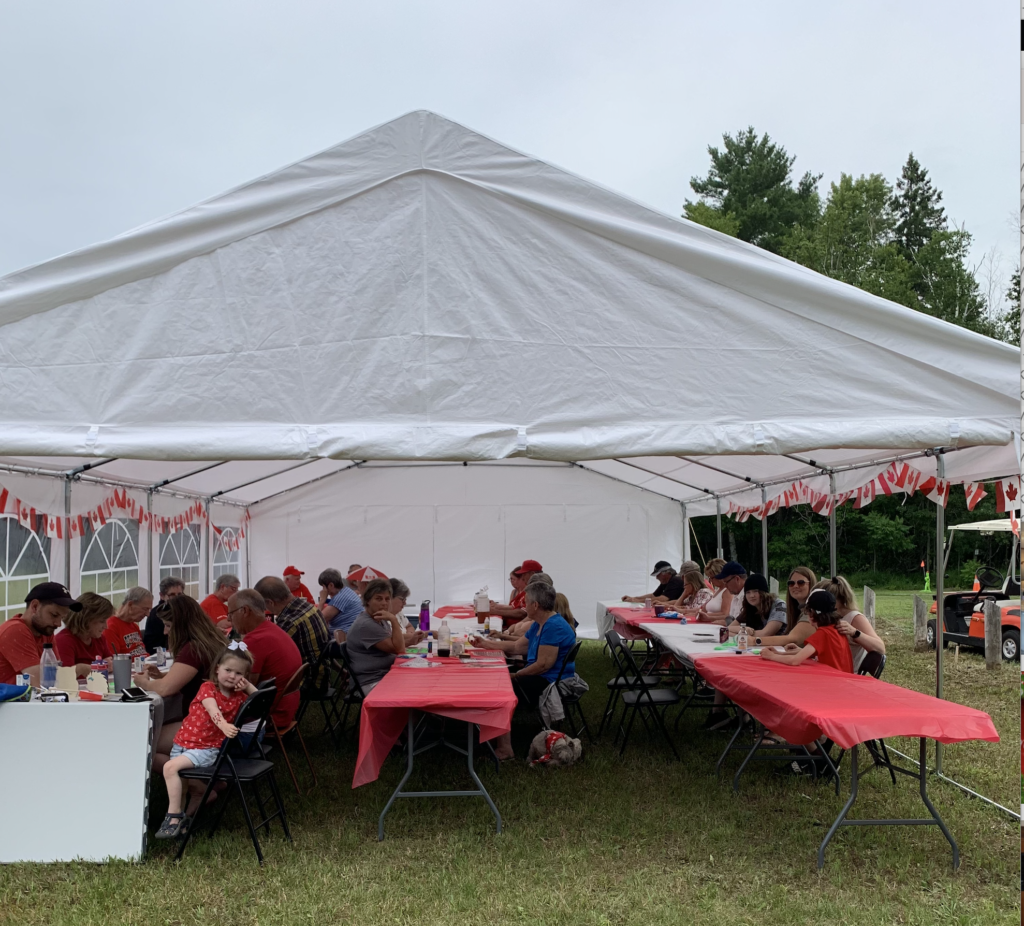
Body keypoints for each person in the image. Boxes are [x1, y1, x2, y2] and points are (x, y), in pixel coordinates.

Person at [156, 645, 257, 839]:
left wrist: (249, 687)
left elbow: (260, 701)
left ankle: (173, 817)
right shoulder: (207, 688)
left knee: (169, 768)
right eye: (228, 670)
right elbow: (212, 709)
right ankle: (184, 819)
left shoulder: (238, 697)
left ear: (244, 677)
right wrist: (223, 725)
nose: (232, 676)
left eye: (238, 673)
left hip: (205, 749)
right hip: (183, 743)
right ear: (217, 668)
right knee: (182, 784)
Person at [470, 582, 576, 760]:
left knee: (499, 689)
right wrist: (486, 644)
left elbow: (543, 665)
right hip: (543, 675)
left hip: (549, 681)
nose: (523, 606)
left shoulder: (552, 626)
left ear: (535, 605)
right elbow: (517, 646)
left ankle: (504, 749)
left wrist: (514, 675)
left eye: (526, 602)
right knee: (498, 680)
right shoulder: (541, 622)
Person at [132, 595, 229, 772]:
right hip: (219, 719)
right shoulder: (211, 641)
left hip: (205, 727)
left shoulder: (193, 648)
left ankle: (200, 786)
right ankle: (206, 780)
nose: (165, 632)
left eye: (169, 626)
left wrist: (143, 682)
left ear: (182, 625)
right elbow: (194, 676)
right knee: (150, 748)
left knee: (139, 743)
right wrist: (163, 676)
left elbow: (165, 689)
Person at [227, 588, 303, 731]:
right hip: (286, 709)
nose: (228, 619)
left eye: (231, 614)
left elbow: (240, 688)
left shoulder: (255, 640)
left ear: (244, 611)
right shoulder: (271, 629)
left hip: (268, 716)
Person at [345, 579, 425, 693]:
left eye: (387, 599)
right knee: (417, 687)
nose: (384, 603)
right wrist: (393, 619)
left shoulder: (378, 619)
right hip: (371, 681)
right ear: (367, 600)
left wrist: (413, 638)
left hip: (384, 674)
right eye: (378, 599)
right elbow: (399, 649)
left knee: (423, 678)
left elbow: (394, 639)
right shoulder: (366, 624)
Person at [0, 583, 81, 685]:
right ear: (35, 606)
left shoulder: (45, 630)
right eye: (54, 615)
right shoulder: (15, 630)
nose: (58, 624)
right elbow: (39, 684)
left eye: (62, 618)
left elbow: (56, 676)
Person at [760, 590, 853, 673]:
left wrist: (771, 656)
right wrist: (779, 653)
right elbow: (822, 654)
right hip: (843, 679)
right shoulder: (835, 629)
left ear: (812, 613)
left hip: (833, 682)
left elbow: (794, 661)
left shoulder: (823, 633)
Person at [254, 576, 330, 679]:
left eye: (264, 606)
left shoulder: (289, 621)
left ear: (271, 602)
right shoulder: (308, 606)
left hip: (305, 682)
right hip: (321, 675)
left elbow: (271, 658)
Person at [815, 575, 885, 672]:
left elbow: (880, 648)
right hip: (826, 670)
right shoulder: (826, 617)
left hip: (845, 676)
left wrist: (854, 632)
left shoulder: (855, 618)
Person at [747, 566, 818, 649]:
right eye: (791, 583)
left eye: (801, 582)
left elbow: (792, 639)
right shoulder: (796, 610)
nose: (795, 586)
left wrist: (754, 641)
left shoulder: (813, 610)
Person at [54, 591, 114, 676]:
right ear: (86, 619)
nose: (106, 626)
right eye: (102, 621)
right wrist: (88, 668)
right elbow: (65, 675)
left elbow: (109, 663)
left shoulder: (99, 639)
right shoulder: (64, 641)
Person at [102, 586, 153, 657]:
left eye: (149, 610)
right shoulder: (110, 626)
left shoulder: (134, 626)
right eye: (145, 609)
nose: (147, 614)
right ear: (130, 604)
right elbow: (113, 660)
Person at [142, 576, 186, 653]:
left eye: (179, 594)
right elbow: (152, 645)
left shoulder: (186, 609)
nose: (177, 598)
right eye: (172, 595)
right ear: (162, 596)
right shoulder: (158, 614)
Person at [318, 568, 364, 638]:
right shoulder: (347, 591)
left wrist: (322, 601)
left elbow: (318, 620)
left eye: (323, 587)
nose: (322, 590)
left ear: (331, 585)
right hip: (354, 635)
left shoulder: (340, 598)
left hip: (345, 640)